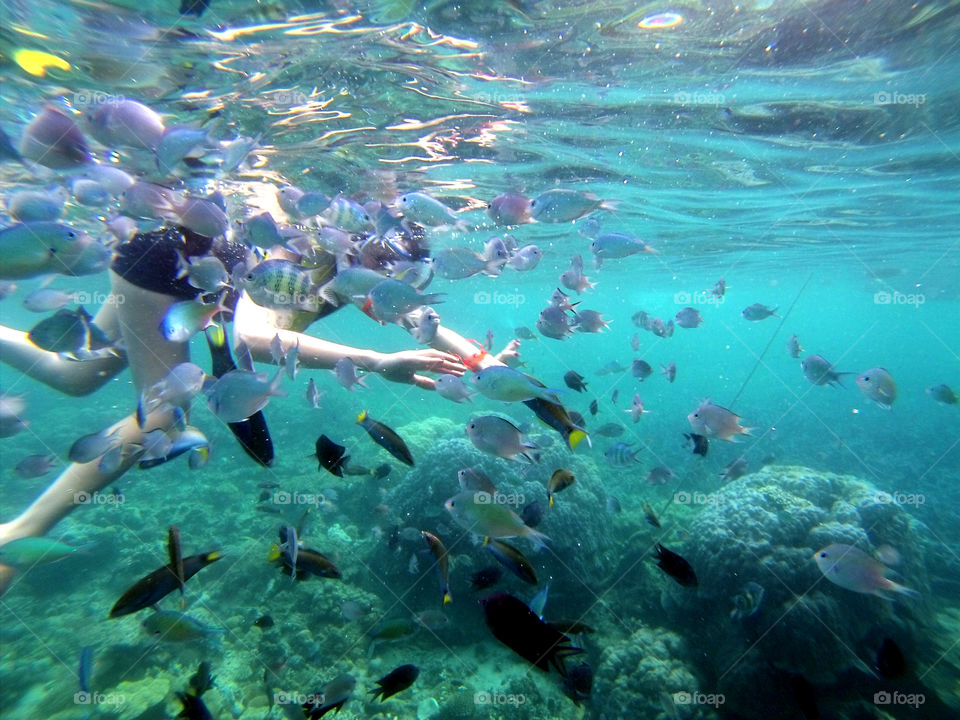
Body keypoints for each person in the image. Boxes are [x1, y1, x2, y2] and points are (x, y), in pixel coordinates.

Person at [0, 223, 517, 595]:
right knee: (161, 415)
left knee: (78, 375)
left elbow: (424, 321)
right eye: (388, 282)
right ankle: (20, 534)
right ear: (361, 258)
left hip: (174, 259)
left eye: (406, 286)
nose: (392, 300)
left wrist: (486, 365)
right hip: (167, 270)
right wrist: (374, 360)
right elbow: (250, 335)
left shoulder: (367, 279)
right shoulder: (305, 258)